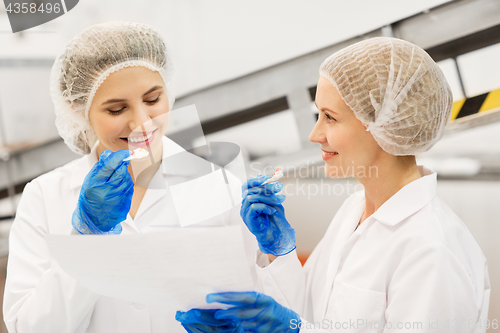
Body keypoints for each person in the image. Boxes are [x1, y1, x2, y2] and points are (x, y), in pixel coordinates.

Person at [176, 37, 491, 332]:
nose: (315, 135)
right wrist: (280, 253)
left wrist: (290, 328)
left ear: (380, 121)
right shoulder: (354, 209)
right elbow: (310, 311)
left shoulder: (432, 250)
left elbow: (300, 325)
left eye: (330, 117)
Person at [3, 21, 258, 333]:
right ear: (78, 108)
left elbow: (256, 305)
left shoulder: (216, 185)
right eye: (116, 110)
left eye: (152, 100)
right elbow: (28, 327)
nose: (142, 122)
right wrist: (88, 237)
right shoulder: (45, 196)